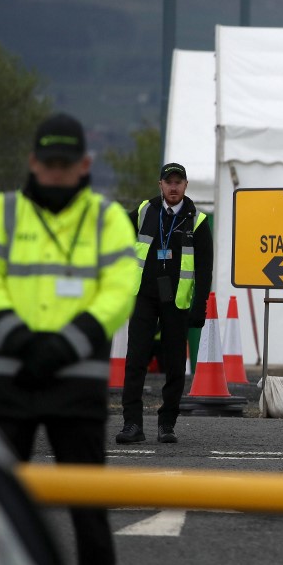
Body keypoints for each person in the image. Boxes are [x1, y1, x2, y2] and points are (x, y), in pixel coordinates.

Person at [0, 112, 137, 565]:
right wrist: (13, 334)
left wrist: (68, 342)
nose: (58, 172)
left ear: (84, 163)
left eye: (67, 164)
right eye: (49, 163)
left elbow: (121, 285)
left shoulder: (106, 217)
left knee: (89, 513)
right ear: (33, 162)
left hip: (75, 382)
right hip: (12, 380)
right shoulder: (5, 212)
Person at [116, 162, 212, 444]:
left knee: (173, 365)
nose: (173, 187)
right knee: (135, 360)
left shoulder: (198, 221)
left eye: (178, 182)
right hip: (144, 297)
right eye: (168, 182)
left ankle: (167, 424)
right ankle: (132, 424)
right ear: (160, 184)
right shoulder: (146, 210)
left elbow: (205, 270)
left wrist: (200, 305)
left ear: (185, 185)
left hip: (176, 303)